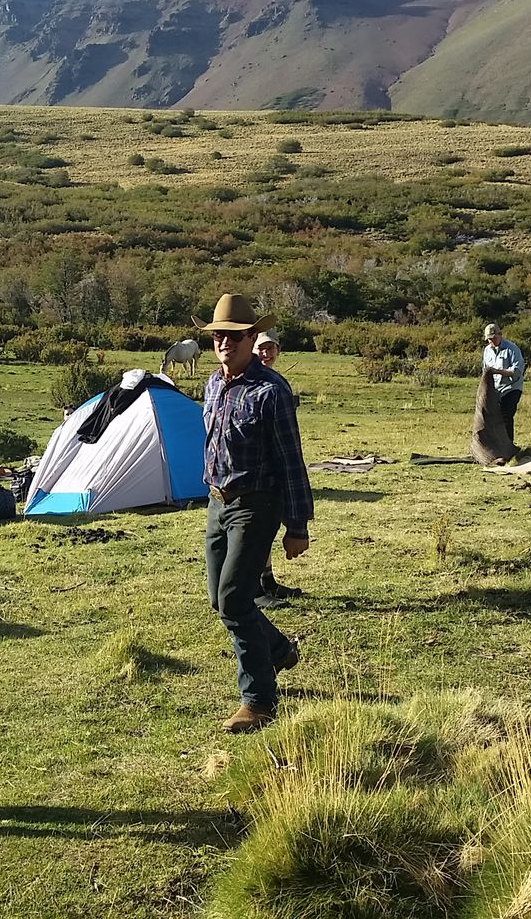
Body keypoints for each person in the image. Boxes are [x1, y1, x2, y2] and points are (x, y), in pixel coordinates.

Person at [196, 294, 312, 734]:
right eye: (217, 335)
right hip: (217, 501)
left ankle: (259, 699)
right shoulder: (213, 384)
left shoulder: (271, 391)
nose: (224, 342)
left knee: (233, 600)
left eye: (233, 335)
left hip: (256, 505)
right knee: (219, 599)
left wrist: (296, 525)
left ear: (251, 338)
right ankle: (279, 649)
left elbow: (290, 460)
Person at [251, 331, 303, 610]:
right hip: (256, 474)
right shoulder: (248, 380)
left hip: (274, 470)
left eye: (271, 349)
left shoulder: (276, 382)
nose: (266, 354)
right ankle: (256, 587)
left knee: (267, 529)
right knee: (257, 531)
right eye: (261, 348)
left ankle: (268, 580)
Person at [481, 322, 526, 462]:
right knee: (494, 418)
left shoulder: (512, 349)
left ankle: (509, 451)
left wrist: (498, 371)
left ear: (500, 335)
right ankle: (496, 448)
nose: (491, 341)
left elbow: (517, 372)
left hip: (511, 388)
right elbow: (485, 369)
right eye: (489, 339)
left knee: (507, 416)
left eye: (493, 338)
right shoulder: (487, 350)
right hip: (496, 390)